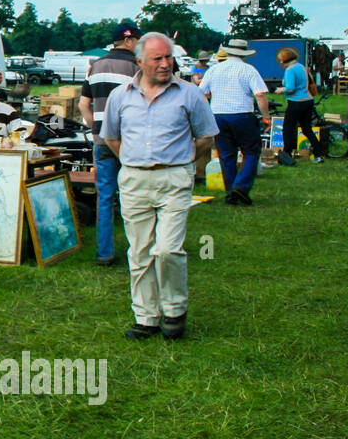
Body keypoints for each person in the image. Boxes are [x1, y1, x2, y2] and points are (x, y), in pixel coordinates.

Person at [100, 32, 218, 340]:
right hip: (134, 180)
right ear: (140, 62)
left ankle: (175, 310)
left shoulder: (189, 94)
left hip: (175, 178)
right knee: (139, 251)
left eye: (169, 57)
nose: (166, 64)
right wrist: (132, 158)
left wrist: (186, 163)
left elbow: (206, 136)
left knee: (167, 249)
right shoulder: (120, 96)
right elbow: (110, 137)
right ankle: (146, 317)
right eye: (158, 58)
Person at [78, 22, 140, 266]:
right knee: (134, 195)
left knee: (104, 197)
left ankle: (104, 253)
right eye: (137, 40)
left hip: (102, 141)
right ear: (128, 41)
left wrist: (97, 127)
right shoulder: (137, 66)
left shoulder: (95, 66)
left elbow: (84, 104)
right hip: (129, 141)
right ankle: (139, 249)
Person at [198, 38, 269, 205]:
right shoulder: (248, 70)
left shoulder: (213, 70)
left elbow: (201, 93)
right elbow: (260, 94)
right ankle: (241, 187)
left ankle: (232, 191)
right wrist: (266, 116)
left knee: (227, 154)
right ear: (244, 54)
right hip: (242, 114)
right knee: (251, 151)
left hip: (218, 115)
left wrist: (207, 111)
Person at [274, 47, 322, 164]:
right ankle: (318, 153)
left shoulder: (290, 70)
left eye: (280, 60)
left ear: (285, 60)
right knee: (306, 129)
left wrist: (281, 89)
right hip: (308, 100)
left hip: (296, 102)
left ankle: (287, 154)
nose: (280, 62)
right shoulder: (301, 67)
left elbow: (290, 88)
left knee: (288, 129)